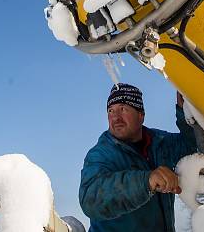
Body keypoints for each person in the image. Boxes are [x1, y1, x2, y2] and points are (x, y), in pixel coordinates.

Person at [79, 83, 197, 232]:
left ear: (141, 115)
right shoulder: (101, 154)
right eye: (111, 110)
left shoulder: (159, 142)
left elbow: (191, 147)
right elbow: (91, 199)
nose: (115, 118)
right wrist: (146, 181)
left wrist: (184, 111)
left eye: (123, 109)